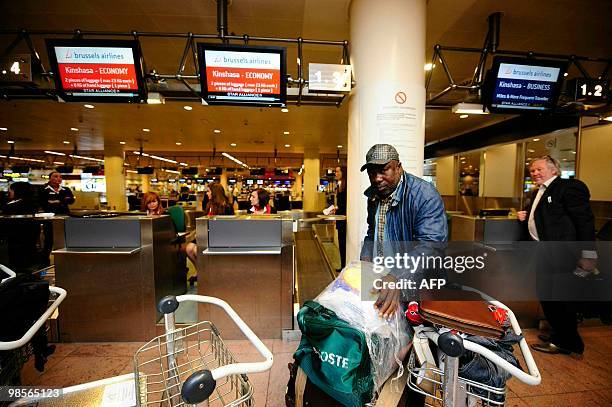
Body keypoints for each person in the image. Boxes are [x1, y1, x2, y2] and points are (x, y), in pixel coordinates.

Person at [517, 155, 596, 355]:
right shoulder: (540, 192)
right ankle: (559, 334)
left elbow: (584, 221)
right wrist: (525, 216)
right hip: (544, 253)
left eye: (539, 169)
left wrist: (589, 254)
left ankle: (569, 342)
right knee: (547, 295)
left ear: (554, 170)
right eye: (532, 170)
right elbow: (545, 217)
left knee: (561, 299)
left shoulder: (569, 187)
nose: (534, 173)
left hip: (563, 255)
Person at [359, 144, 448, 319]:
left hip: (418, 285)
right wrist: (366, 259)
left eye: (384, 170)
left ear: (398, 167)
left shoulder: (424, 195)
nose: (377, 178)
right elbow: (373, 230)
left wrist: (397, 276)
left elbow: (431, 245)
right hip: (384, 278)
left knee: (418, 338)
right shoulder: (374, 195)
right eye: (372, 172)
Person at [329, 166, 347, 269]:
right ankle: (342, 265)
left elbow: (344, 204)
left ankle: (344, 266)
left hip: (343, 219)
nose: (335, 173)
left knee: (343, 243)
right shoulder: (340, 185)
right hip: (339, 217)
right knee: (341, 244)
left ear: (342, 172)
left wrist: (337, 209)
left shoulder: (346, 186)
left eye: (337, 171)